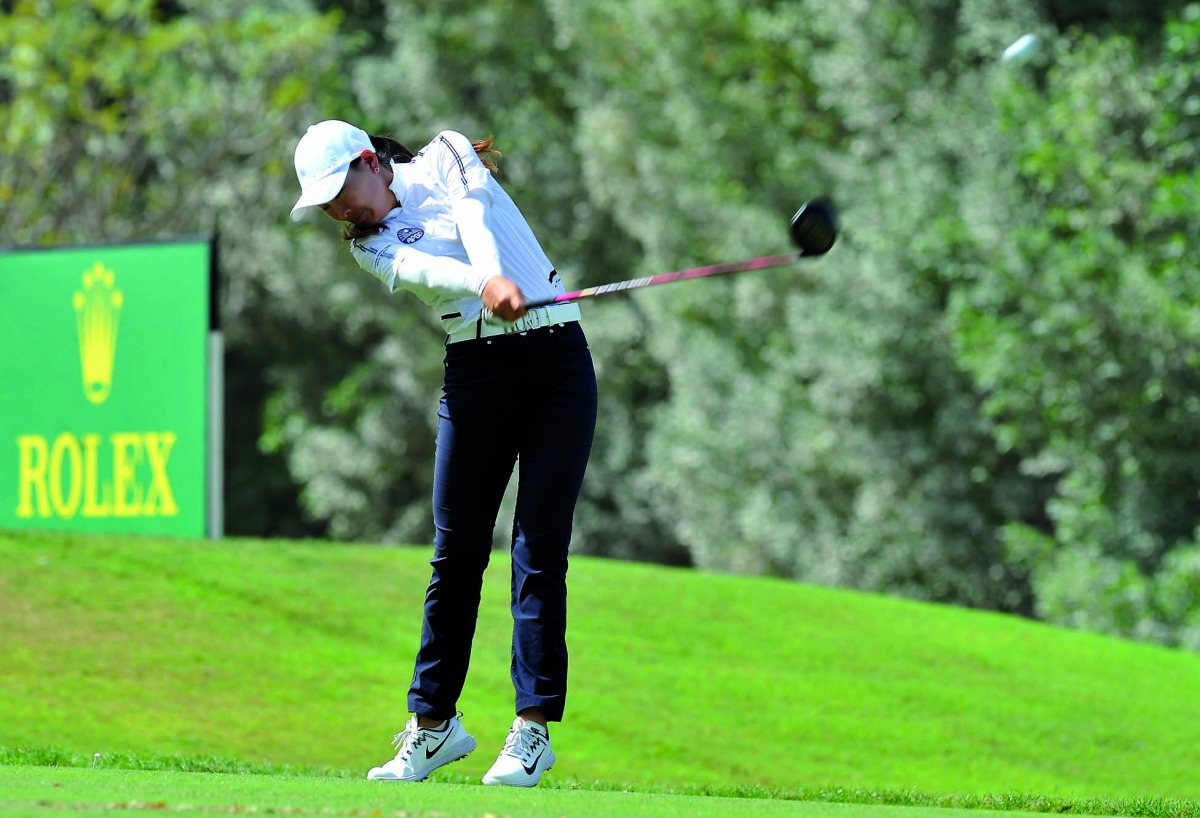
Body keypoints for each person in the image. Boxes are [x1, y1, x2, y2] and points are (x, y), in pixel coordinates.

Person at [289, 120, 597, 787]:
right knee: (456, 552)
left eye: (340, 190)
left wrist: (491, 275)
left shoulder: (449, 152)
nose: (339, 211)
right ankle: (434, 727)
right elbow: (428, 268)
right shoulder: (370, 245)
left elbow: (475, 213)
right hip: (477, 373)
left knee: (537, 547)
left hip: (558, 365)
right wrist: (482, 286)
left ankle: (532, 731)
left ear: (371, 162)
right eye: (326, 205)